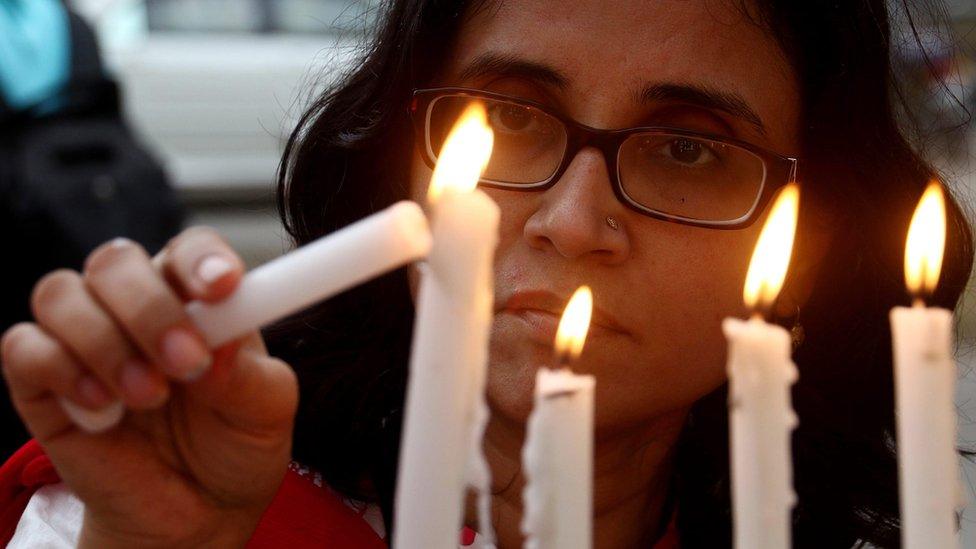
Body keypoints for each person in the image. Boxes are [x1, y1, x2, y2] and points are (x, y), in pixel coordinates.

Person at [1, 0, 973, 547]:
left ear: (803, 256)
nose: (569, 222)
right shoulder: (171, 498)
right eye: (506, 117)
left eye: (687, 150)